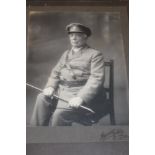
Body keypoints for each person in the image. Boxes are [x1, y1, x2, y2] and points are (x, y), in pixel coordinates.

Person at [30, 23, 105, 126]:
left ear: (85, 36)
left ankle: (58, 140)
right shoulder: (66, 54)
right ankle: (36, 135)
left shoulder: (95, 54)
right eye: (71, 35)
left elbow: (96, 79)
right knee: (41, 98)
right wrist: (51, 86)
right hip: (63, 91)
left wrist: (81, 97)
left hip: (80, 93)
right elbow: (55, 73)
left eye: (77, 35)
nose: (73, 38)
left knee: (59, 115)